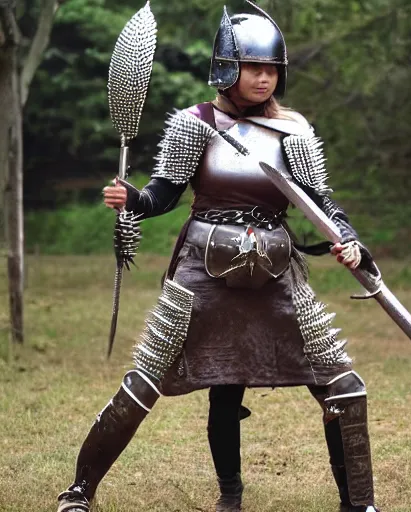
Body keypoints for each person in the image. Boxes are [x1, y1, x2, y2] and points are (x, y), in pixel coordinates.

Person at [57, 2, 379, 511]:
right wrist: (132, 200)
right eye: (254, 68)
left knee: (343, 384)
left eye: (272, 69)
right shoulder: (196, 124)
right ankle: (80, 492)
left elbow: (322, 205)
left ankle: (359, 504)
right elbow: (161, 196)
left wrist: (350, 239)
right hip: (201, 272)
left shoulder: (294, 130)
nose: (264, 79)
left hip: (276, 271)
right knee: (149, 382)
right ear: (228, 69)